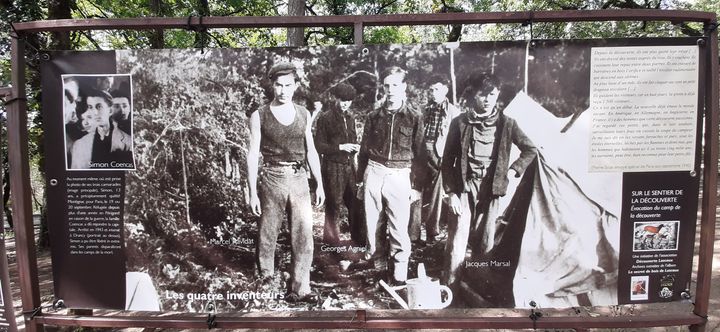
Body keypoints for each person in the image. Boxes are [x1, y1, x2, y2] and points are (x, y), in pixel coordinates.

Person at [440, 72, 537, 292]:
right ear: (474, 95)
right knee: (457, 239)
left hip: (492, 189)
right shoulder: (460, 123)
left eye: (492, 95)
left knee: (484, 242)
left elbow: (530, 149)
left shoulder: (507, 124)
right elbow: (447, 161)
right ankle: (450, 290)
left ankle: (475, 285)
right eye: (483, 95)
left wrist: (514, 170)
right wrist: (451, 193)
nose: (487, 99)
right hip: (464, 187)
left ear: (498, 95)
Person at [246, 62, 325, 303]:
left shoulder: (304, 113)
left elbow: (311, 150)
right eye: (278, 85)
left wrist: (319, 183)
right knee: (268, 233)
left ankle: (300, 289)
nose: (283, 90)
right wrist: (252, 193)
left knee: (303, 235)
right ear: (272, 85)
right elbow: (252, 154)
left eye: (288, 85)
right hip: (272, 177)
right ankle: (267, 285)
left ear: (296, 86)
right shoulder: (259, 115)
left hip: (300, 178)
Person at [357, 66, 424, 285]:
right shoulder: (374, 116)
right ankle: (379, 269)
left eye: (395, 85)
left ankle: (399, 275)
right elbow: (364, 150)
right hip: (374, 172)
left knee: (398, 226)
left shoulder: (414, 118)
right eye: (387, 85)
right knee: (373, 225)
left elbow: (420, 155)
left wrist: (417, 186)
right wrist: (360, 180)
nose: (391, 90)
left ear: (404, 87)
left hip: (399, 175)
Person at [409, 74, 462, 245]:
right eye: (431, 90)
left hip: (441, 155)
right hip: (422, 153)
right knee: (416, 192)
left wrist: (448, 159)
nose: (433, 93)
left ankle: (432, 232)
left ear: (445, 90)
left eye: (437, 89)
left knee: (436, 197)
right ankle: (413, 234)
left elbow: (456, 140)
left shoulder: (454, 113)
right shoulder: (424, 110)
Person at [313, 83, 364, 245]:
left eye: (348, 101)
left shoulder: (350, 118)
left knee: (355, 203)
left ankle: (358, 241)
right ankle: (331, 243)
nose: (345, 104)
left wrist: (355, 147)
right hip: (332, 166)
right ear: (335, 99)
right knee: (334, 205)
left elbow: (353, 140)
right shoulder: (325, 118)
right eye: (342, 100)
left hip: (350, 166)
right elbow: (319, 146)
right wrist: (341, 147)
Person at [70, 88, 134, 170]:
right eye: (90, 107)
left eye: (99, 107)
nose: (95, 113)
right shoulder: (79, 145)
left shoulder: (128, 142)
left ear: (110, 111)